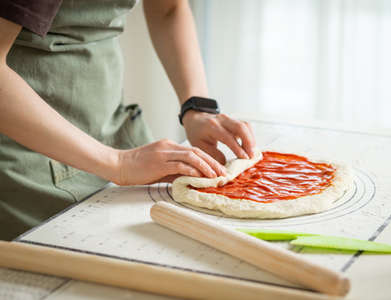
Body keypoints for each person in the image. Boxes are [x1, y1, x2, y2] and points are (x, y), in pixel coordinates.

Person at [0, 0, 256, 241]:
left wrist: (197, 108)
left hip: (110, 124)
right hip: (24, 146)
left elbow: (169, 8)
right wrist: (119, 164)